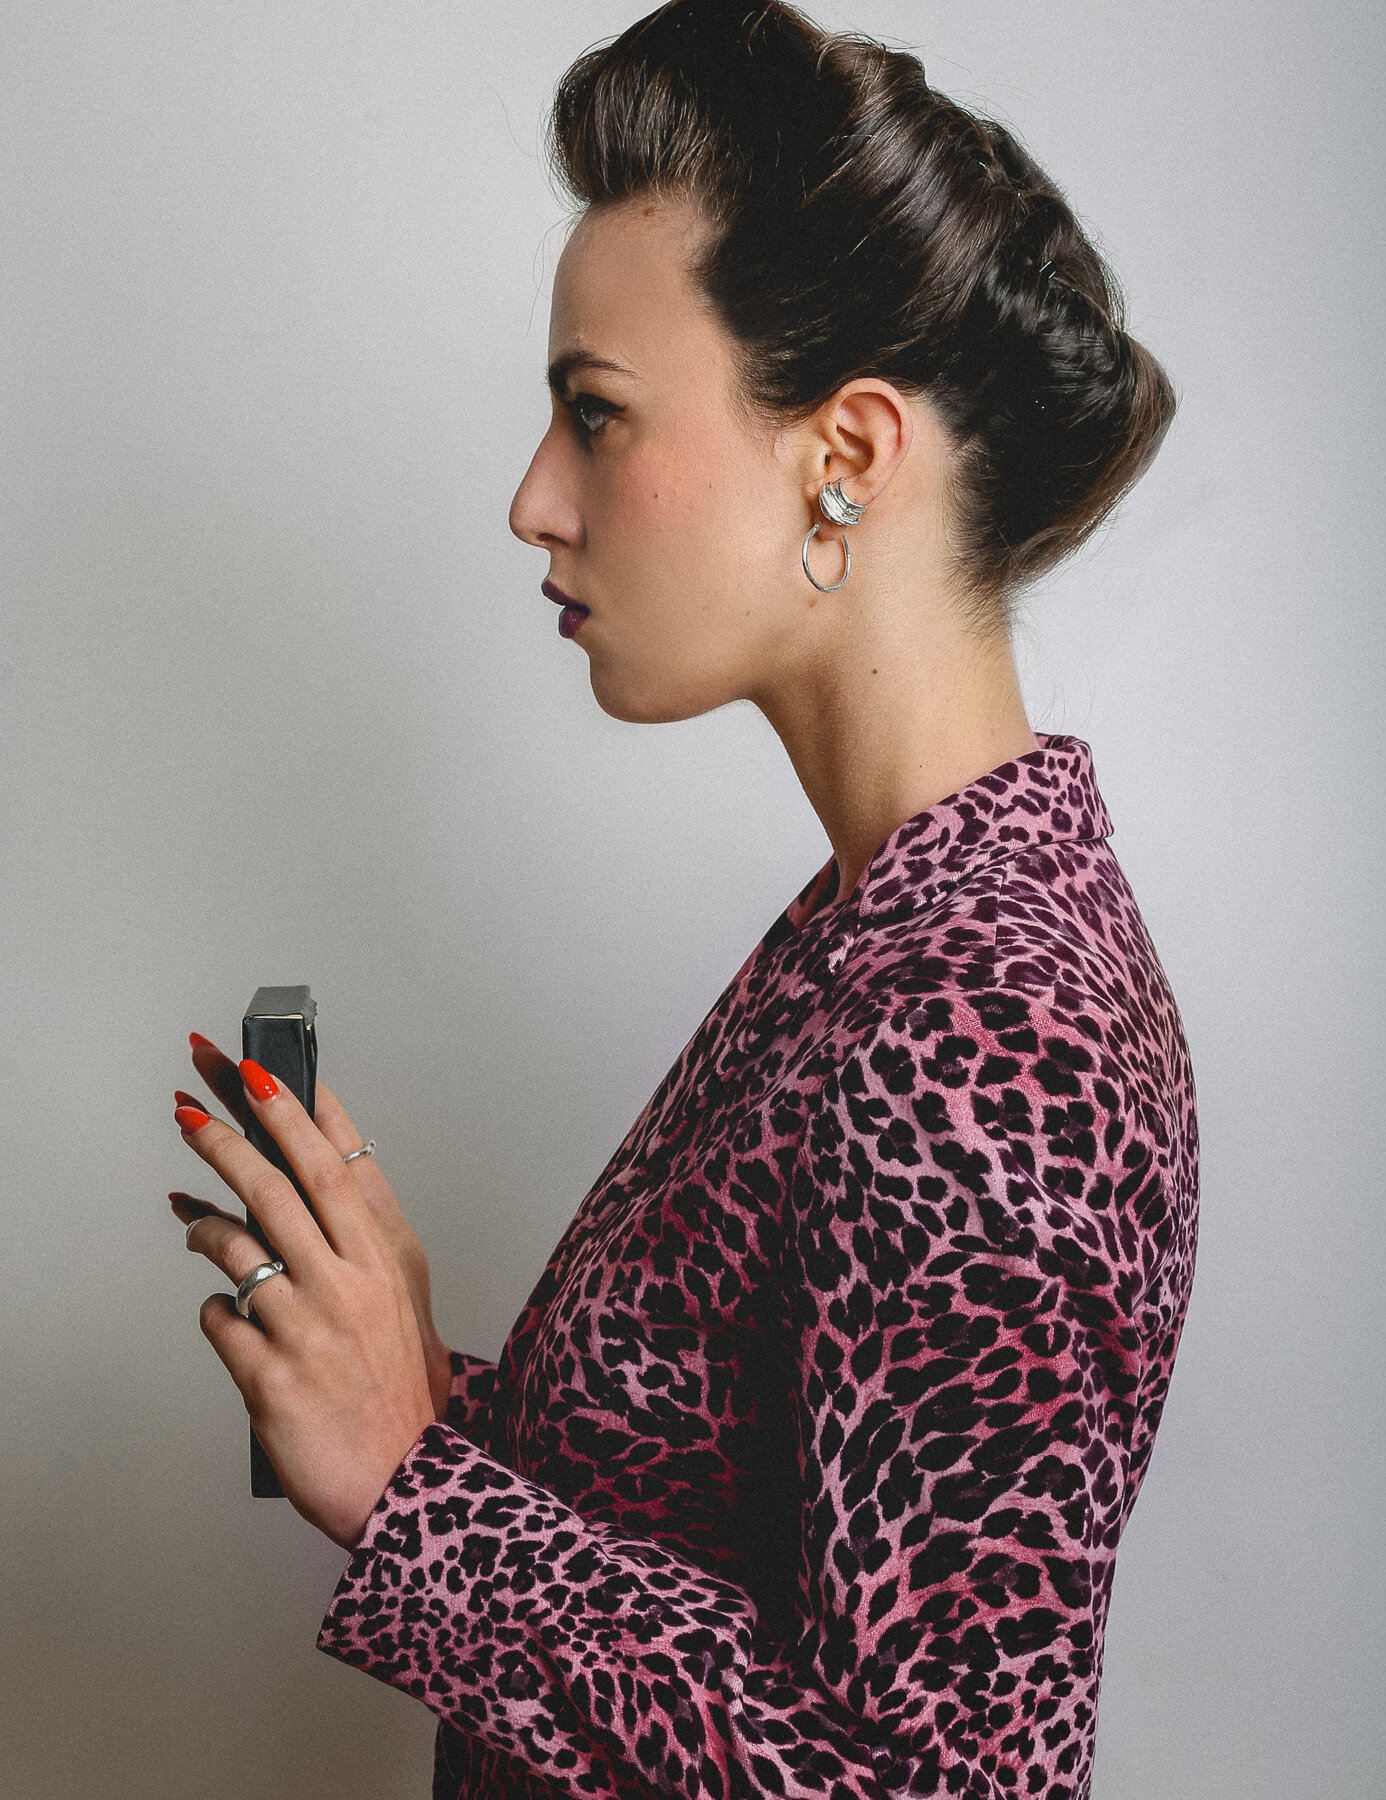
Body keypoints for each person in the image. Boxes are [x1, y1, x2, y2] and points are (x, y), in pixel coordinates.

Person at [168, 4, 1198, 1796]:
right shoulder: (886, 929)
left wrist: (413, 1490)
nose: (533, 500)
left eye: (597, 415)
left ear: (846, 454)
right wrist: (415, 1384)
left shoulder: (986, 1028)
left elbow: (923, 1782)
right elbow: (730, 1551)